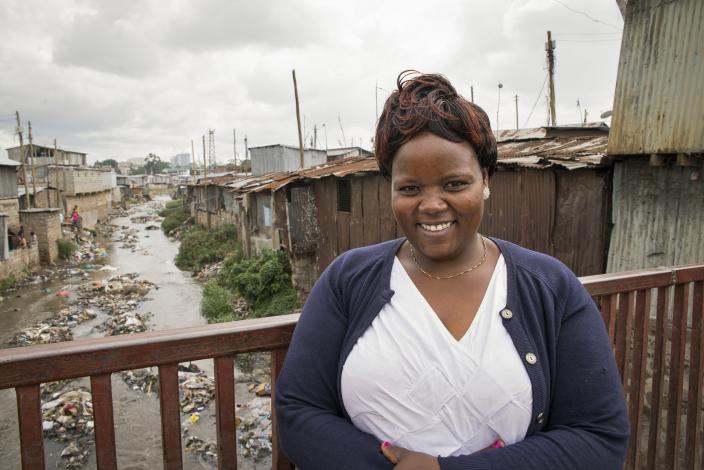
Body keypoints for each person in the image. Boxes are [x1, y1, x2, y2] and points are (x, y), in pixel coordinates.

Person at [275, 72, 629, 470]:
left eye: (454, 184)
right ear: (390, 190)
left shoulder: (549, 286)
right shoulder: (348, 280)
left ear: (485, 180)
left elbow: (598, 437)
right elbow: (298, 410)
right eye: (410, 188)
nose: (431, 205)